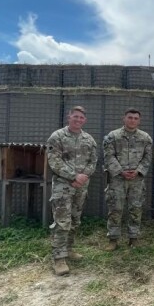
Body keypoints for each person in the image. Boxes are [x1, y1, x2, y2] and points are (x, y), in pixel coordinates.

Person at [46, 106, 98, 276]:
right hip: (63, 185)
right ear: (69, 117)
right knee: (62, 221)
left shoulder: (89, 140)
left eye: (81, 118)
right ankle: (59, 259)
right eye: (75, 116)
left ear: (85, 120)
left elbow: (93, 162)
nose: (78, 120)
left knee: (75, 220)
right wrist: (73, 176)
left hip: (81, 187)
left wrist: (83, 177)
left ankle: (68, 249)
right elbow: (54, 161)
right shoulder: (57, 137)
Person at [102, 109, 152, 250]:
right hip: (117, 179)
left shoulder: (145, 138)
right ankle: (113, 239)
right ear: (124, 119)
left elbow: (147, 158)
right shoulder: (113, 136)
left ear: (139, 121)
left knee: (136, 209)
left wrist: (138, 171)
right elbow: (108, 156)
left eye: (136, 118)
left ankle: (133, 238)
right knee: (115, 209)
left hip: (137, 180)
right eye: (130, 117)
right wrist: (120, 171)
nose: (132, 120)